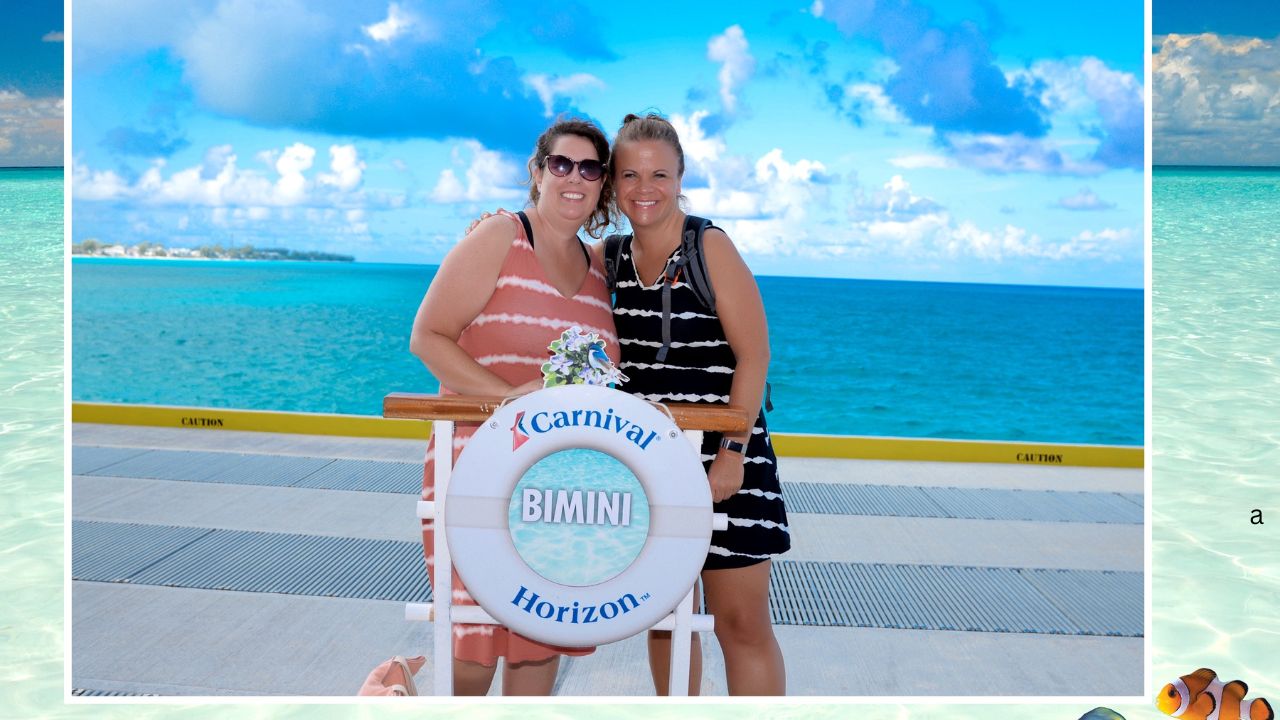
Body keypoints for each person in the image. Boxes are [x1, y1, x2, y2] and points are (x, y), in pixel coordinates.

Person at [408, 118, 619, 695]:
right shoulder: (501, 235)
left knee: (539, 643)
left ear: (602, 184)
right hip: (476, 470)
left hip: (557, 487)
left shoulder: (601, 269)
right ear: (537, 171)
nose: (574, 177)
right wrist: (509, 401)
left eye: (590, 168)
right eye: (561, 164)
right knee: (474, 645)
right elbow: (428, 336)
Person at [608, 112, 790, 696]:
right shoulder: (608, 260)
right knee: (664, 621)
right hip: (651, 466)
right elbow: (546, 263)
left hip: (726, 464)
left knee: (741, 623)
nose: (644, 188)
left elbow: (754, 356)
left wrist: (731, 454)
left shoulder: (709, 247)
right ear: (613, 183)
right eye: (630, 174)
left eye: (659, 174)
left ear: (681, 177)